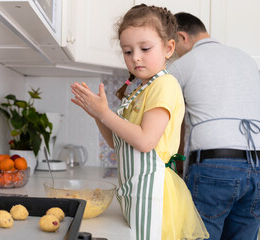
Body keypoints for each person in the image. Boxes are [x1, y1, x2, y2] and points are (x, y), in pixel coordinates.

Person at [71, 4, 209, 240]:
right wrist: (97, 114)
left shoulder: (165, 85)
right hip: (136, 193)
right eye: (127, 51)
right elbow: (118, 143)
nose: (135, 57)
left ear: (169, 48)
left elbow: (145, 141)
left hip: (155, 197)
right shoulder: (142, 89)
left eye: (145, 48)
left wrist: (105, 113)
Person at [168, 12, 260, 240]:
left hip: (214, 169)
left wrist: (176, 169)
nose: (173, 53)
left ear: (182, 37)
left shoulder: (183, 65)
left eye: (173, 46)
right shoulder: (247, 59)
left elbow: (169, 117)